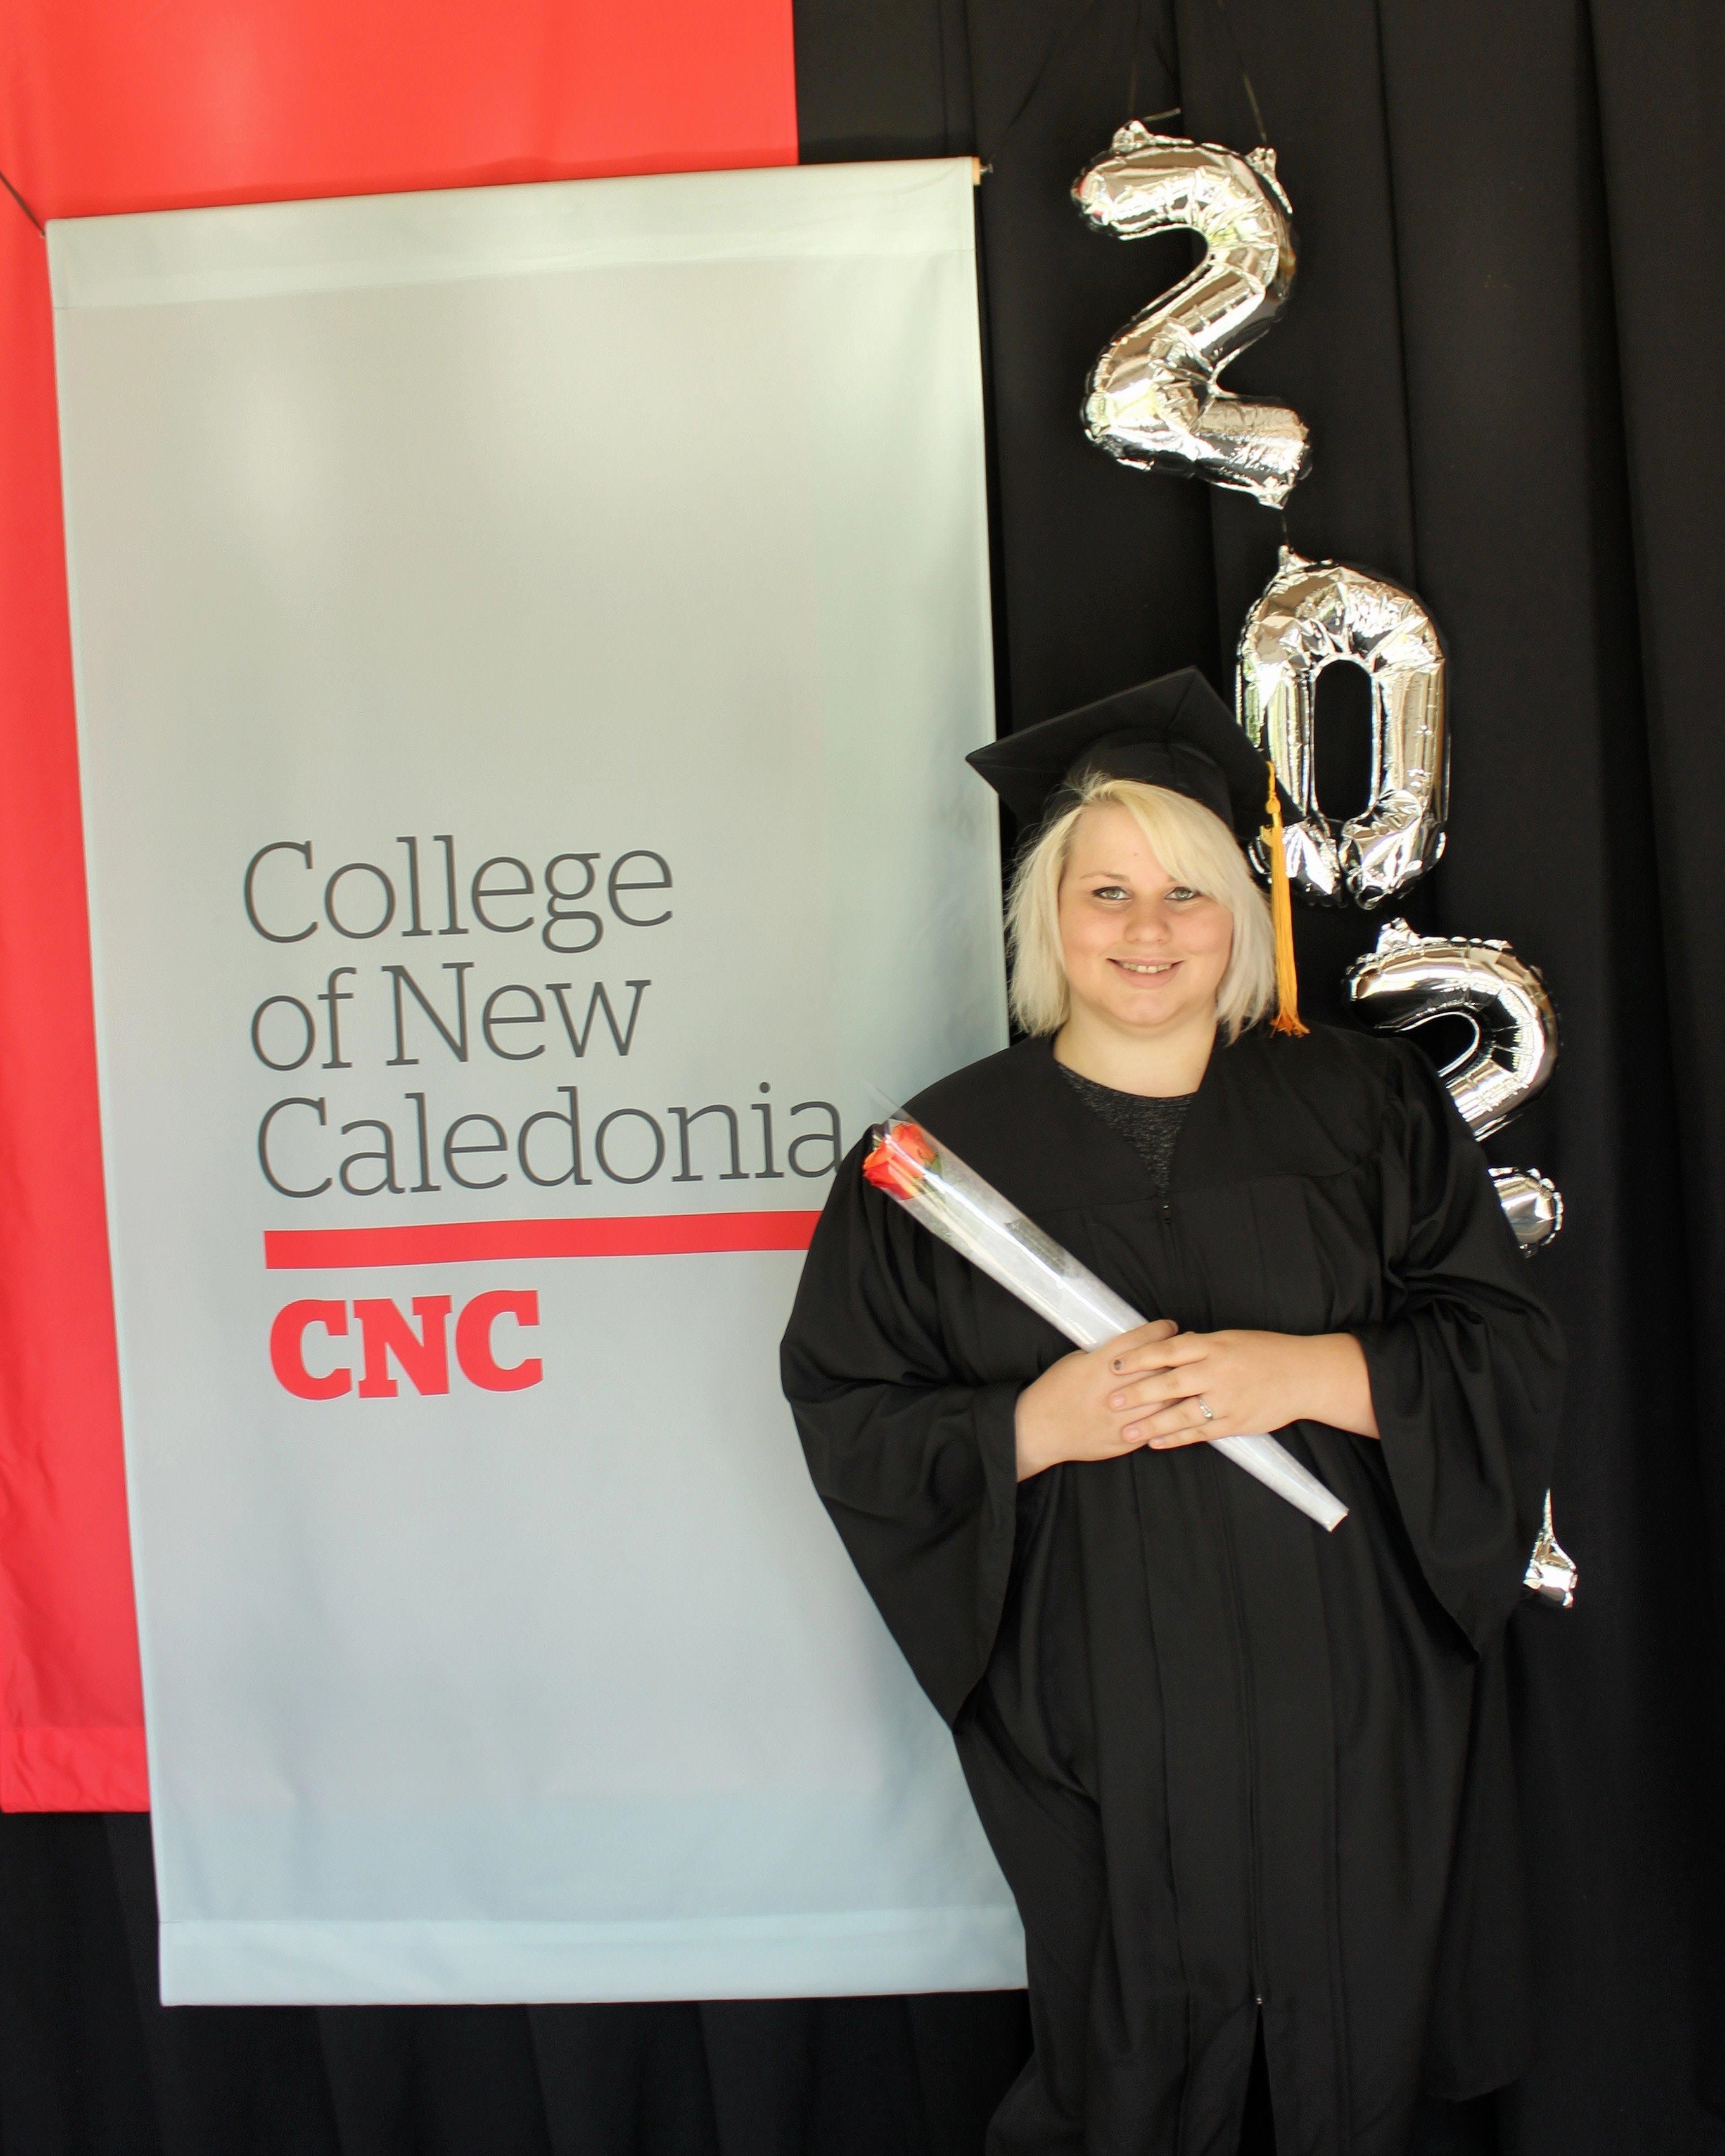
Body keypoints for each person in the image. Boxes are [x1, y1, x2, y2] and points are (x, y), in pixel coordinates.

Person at [780, 669, 1565, 2155]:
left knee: (1357, 2053)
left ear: (1242, 918)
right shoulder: (935, 1160)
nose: (1148, 931)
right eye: (1108, 893)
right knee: (1129, 2062)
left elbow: (1504, 1351)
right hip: (1099, 1709)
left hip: (1352, 1687)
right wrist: (1036, 1421)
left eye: (1188, 893)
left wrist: (1307, 1374)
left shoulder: (1370, 1110)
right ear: (1048, 915)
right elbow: (851, 1404)